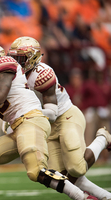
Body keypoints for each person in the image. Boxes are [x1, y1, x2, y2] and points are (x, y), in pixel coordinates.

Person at [0, 42, 98, 200]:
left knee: (36, 171)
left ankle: (83, 198)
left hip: (30, 121)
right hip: (19, 128)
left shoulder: (2, 64)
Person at [7, 36, 111, 199]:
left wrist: (23, 120)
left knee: (77, 168)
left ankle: (102, 138)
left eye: (20, 58)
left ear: (33, 57)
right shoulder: (12, 76)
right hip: (45, 124)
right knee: (60, 177)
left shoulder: (42, 74)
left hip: (64, 117)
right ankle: (105, 196)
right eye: (14, 57)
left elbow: (52, 112)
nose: (16, 62)